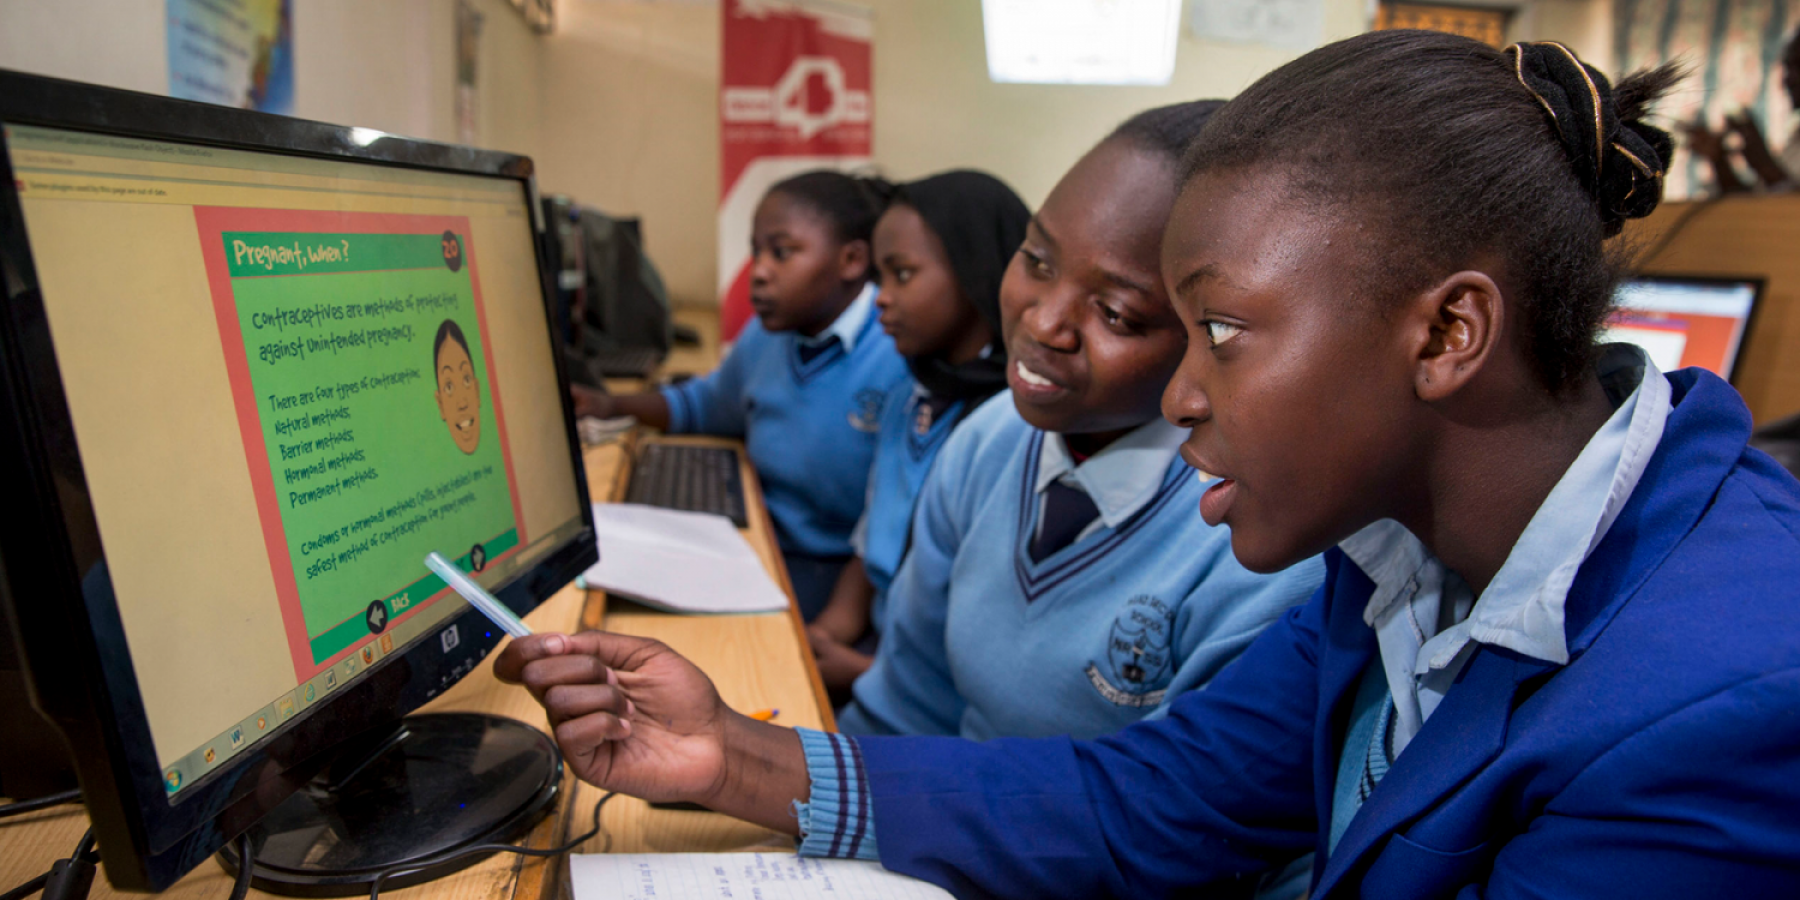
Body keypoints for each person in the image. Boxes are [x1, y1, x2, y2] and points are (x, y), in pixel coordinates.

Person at [498, 31, 1800, 898]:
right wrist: (735, 757)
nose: (1180, 394)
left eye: (1218, 334)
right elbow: (1157, 796)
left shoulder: (1722, 704)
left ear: (1450, 333)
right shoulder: (1407, 546)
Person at [825, 103, 1321, 740]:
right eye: (1036, 260)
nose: (1041, 323)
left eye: (1115, 313)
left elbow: (1171, 813)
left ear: (1208, 336)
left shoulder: (1255, 544)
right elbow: (904, 705)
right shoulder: (990, 438)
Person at [574, 172, 909, 619]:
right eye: (756, 251)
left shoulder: (897, 351)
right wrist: (612, 405)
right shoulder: (770, 336)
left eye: (782, 252)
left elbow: (891, 522)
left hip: (839, 577)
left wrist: (836, 627)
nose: (760, 272)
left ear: (850, 260)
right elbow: (707, 405)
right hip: (764, 546)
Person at [807, 170, 1029, 694]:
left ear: (977, 274)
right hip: (878, 651)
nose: (880, 298)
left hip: (932, 690)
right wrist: (822, 633)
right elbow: (871, 542)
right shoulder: (911, 396)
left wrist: (860, 672)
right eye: (878, 279)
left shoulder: (1010, 426)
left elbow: (989, 644)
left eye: (902, 275)